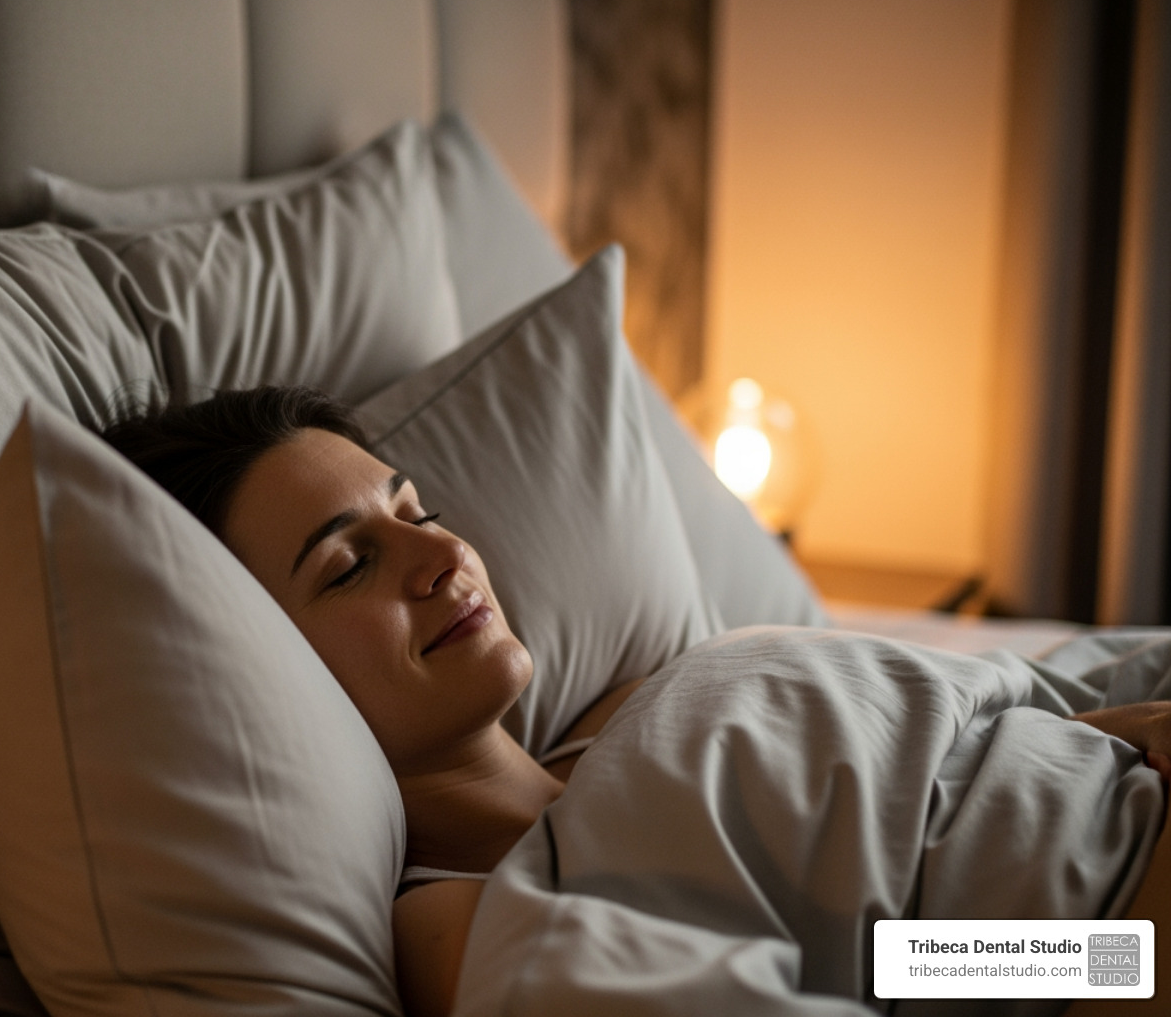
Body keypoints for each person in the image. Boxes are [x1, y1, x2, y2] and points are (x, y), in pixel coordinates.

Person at [98, 385, 1171, 1017]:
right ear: (254, 664)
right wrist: (1114, 951)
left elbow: (999, 715)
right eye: (347, 567)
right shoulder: (447, 917)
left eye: (417, 509)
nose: (438, 555)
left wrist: (1093, 733)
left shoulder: (630, 701)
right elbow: (880, 966)